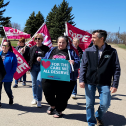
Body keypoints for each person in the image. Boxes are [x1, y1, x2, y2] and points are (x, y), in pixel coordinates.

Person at [79, 30, 121, 126]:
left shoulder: (112, 52)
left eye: (94, 37)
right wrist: (81, 80)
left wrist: (115, 84)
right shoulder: (88, 51)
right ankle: (91, 122)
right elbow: (83, 66)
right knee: (89, 104)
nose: (92, 39)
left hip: (105, 82)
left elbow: (116, 68)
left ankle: (98, 115)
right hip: (90, 81)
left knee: (105, 104)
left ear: (101, 38)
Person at [37, 36, 80, 118]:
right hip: (50, 76)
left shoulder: (71, 52)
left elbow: (78, 62)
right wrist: (41, 59)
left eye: (63, 42)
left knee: (62, 95)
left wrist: (74, 62)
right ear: (57, 42)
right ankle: (52, 105)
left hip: (66, 78)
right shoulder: (52, 50)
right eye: (60, 42)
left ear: (66, 43)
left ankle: (59, 110)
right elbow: (46, 59)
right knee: (47, 90)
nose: (61, 44)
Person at [29, 33, 49, 108]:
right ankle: (35, 98)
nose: (37, 40)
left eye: (39, 39)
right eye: (36, 39)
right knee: (34, 83)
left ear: (42, 39)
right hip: (33, 67)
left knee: (39, 82)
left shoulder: (46, 48)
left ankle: (39, 99)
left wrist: (42, 59)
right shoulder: (32, 48)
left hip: (42, 67)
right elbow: (28, 58)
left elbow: (49, 58)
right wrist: (24, 52)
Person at [0, 40, 17, 107]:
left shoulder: (12, 55)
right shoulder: (0, 54)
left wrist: (12, 72)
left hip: (8, 76)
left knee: (7, 89)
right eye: (3, 45)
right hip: (0, 75)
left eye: (6, 45)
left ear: (9, 47)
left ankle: (10, 97)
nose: (4, 47)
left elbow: (15, 64)